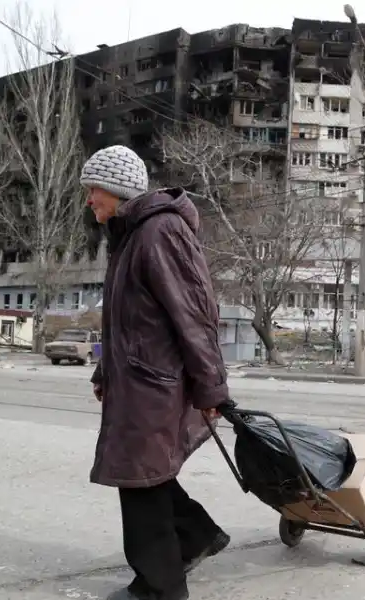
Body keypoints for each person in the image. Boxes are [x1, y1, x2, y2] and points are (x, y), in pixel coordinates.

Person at [80, 145, 231, 600]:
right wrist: (105, 371)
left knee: (138, 479)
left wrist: (211, 387)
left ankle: (159, 586)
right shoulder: (130, 236)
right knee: (149, 475)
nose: (90, 200)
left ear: (119, 190)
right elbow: (127, 320)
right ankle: (197, 535)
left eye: (94, 190)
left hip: (155, 384)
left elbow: (195, 315)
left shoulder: (159, 232)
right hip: (139, 381)